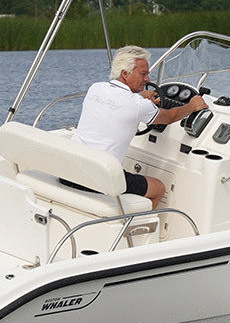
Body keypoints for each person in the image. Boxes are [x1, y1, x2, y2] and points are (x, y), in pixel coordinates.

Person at [70, 45, 204, 207]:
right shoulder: (139, 105)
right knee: (158, 189)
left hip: (72, 170)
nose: (148, 79)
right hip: (99, 179)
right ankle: (136, 224)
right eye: (143, 74)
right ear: (125, 74)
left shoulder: (96, 88)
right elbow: (170, 117)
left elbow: (119, 105)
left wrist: (142, 99)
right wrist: (192, 106)